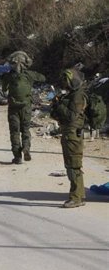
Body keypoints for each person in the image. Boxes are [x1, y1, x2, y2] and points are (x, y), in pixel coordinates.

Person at [0, 51, 46, 164]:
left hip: (13, 107)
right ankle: (26, 148)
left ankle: (17, 156)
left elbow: (4, 89)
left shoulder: (8, 75)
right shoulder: (29, 74)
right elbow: (43, 78)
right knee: (25, 130)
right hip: (26, 107)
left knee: (14, 131)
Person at [50, 67, 87, 208]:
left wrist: (59, 105)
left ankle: (76, 197)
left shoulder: (78, 96)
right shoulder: (71, 95)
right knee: (72, 165)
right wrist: (56, 104)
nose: (65, 83)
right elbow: (57, 115)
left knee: (73, 166)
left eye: (67, 80)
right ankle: (79, 195)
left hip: (73, 134)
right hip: (69, 133)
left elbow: (71, 116)